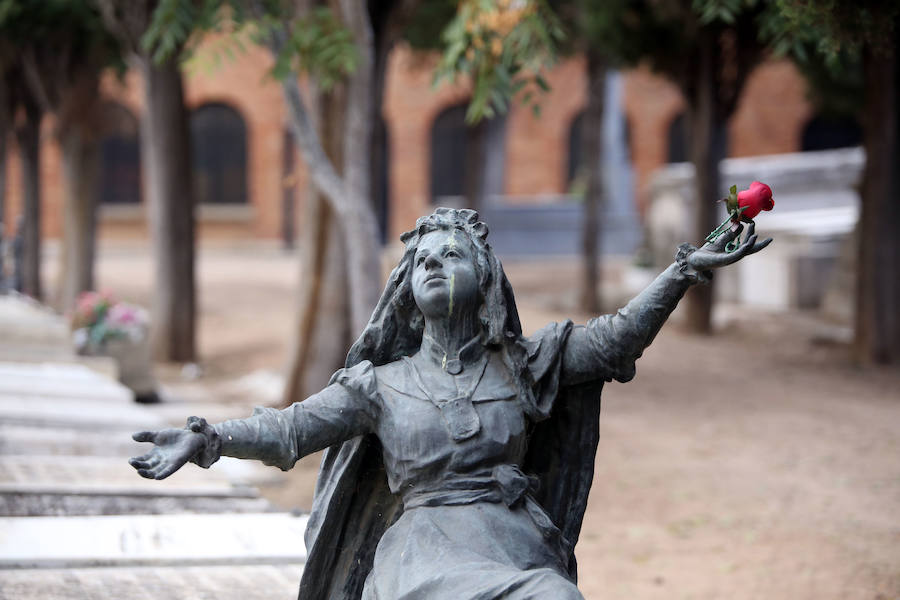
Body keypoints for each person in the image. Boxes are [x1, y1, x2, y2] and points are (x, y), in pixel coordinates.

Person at [130, 207, 770, 599]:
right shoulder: (378, 384)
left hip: (511, 542)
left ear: (484, 276)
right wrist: (206, 438)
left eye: (452, 255)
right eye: (421, 261)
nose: (434, 265)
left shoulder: (525, 363)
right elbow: (290, 428)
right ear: (406, 288)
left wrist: (682, 272)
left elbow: (614, 340)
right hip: (422, 552)